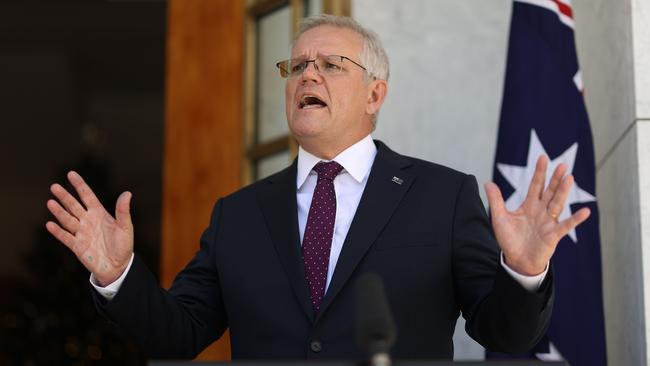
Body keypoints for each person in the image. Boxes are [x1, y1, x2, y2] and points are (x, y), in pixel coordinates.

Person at [45, 15, 590, 360]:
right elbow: (178, 334)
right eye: (299, 65)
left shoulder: (441, 197)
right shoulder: (239, 214)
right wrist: (117, 276)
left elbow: (506, 335)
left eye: (331, 65)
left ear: (375, 95)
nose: (308, 75)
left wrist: (522, 273)